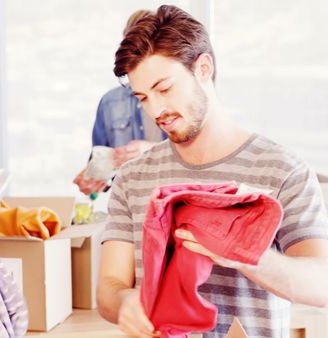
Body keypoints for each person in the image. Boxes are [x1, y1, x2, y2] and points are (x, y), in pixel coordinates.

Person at [96, 5, 328, 338]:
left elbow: (321, 285)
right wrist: (123, 303)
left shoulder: (282, 170)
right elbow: (109, 287)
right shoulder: (132, 179)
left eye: (164, 89)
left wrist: (246, 253)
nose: (155, 110)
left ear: (203, 68)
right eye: (143, 97)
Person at [73, 10, 165, 196]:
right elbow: (101, 165)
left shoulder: (174, 93)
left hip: (171, 202)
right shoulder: (109, 103)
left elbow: (194, 154)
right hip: (128, 206)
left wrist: (152, 151)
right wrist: (93, 179)